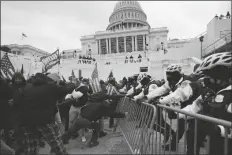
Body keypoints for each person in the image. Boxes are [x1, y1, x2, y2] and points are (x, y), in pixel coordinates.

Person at [14, 73, 74, 155]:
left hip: (26, 121)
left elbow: (16, 103)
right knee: (56, 144)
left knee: (31, 147)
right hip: (44, 121)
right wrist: (74, 83)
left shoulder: (26, 86)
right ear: (54, 81)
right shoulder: (51, 86)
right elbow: (67, 89)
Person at [186, 52, 232, 155]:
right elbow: (194, 107)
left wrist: (219, 130)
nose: (208, 80)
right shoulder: (211, 92)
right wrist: (177, 114)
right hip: (216, 145)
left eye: (211, 76)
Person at [61, 94, 127, 148]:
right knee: (98, 126)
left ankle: (62, 140)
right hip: (86, 121)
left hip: (79, 118)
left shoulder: (95, 103)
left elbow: (83, 108)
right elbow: (112, 114)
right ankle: (93, 142)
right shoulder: (104, 108)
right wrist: (123, 114)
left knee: (72, 130)